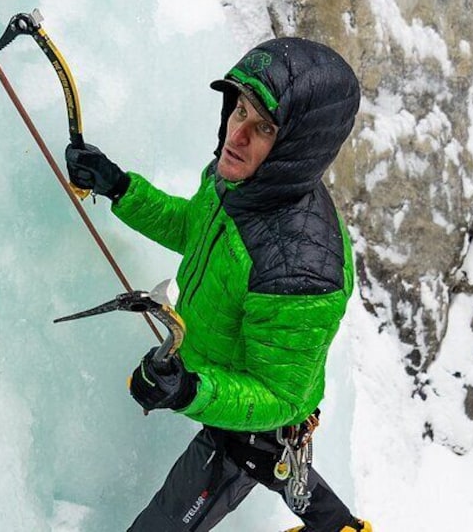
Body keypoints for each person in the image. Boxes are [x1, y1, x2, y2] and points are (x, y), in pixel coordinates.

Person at [65, 37, 370, 532]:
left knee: (212, 487)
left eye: (263, 126)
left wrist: (187, 390)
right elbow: (194, 229)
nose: (238, 133)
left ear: (294, 145)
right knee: (283, 473)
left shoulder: (302, 270)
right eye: (240, 109)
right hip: (217, 374)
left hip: (249, 422)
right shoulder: (236, 179)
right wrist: (120, 187)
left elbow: (280, 398)